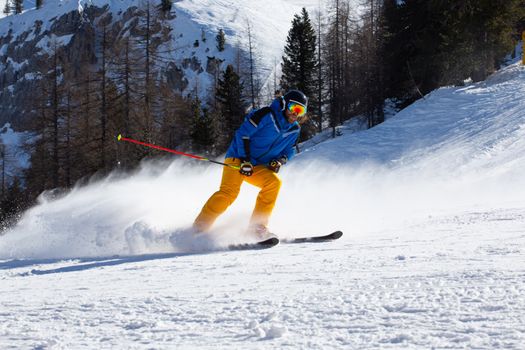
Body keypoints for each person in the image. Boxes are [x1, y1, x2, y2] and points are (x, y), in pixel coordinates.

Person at [193, 90, 308, 239]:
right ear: (285, 104)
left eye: (300, 110)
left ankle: (257, 228)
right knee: (229, 193)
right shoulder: (266, 115)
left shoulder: (294, 130)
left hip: (257, 166)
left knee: (273, 183)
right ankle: (199, 229)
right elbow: (242, 134)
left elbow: (289, 150)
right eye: (293, 107)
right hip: (237, 158)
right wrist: (245, 160)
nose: (295, 113)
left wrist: (280, 161)